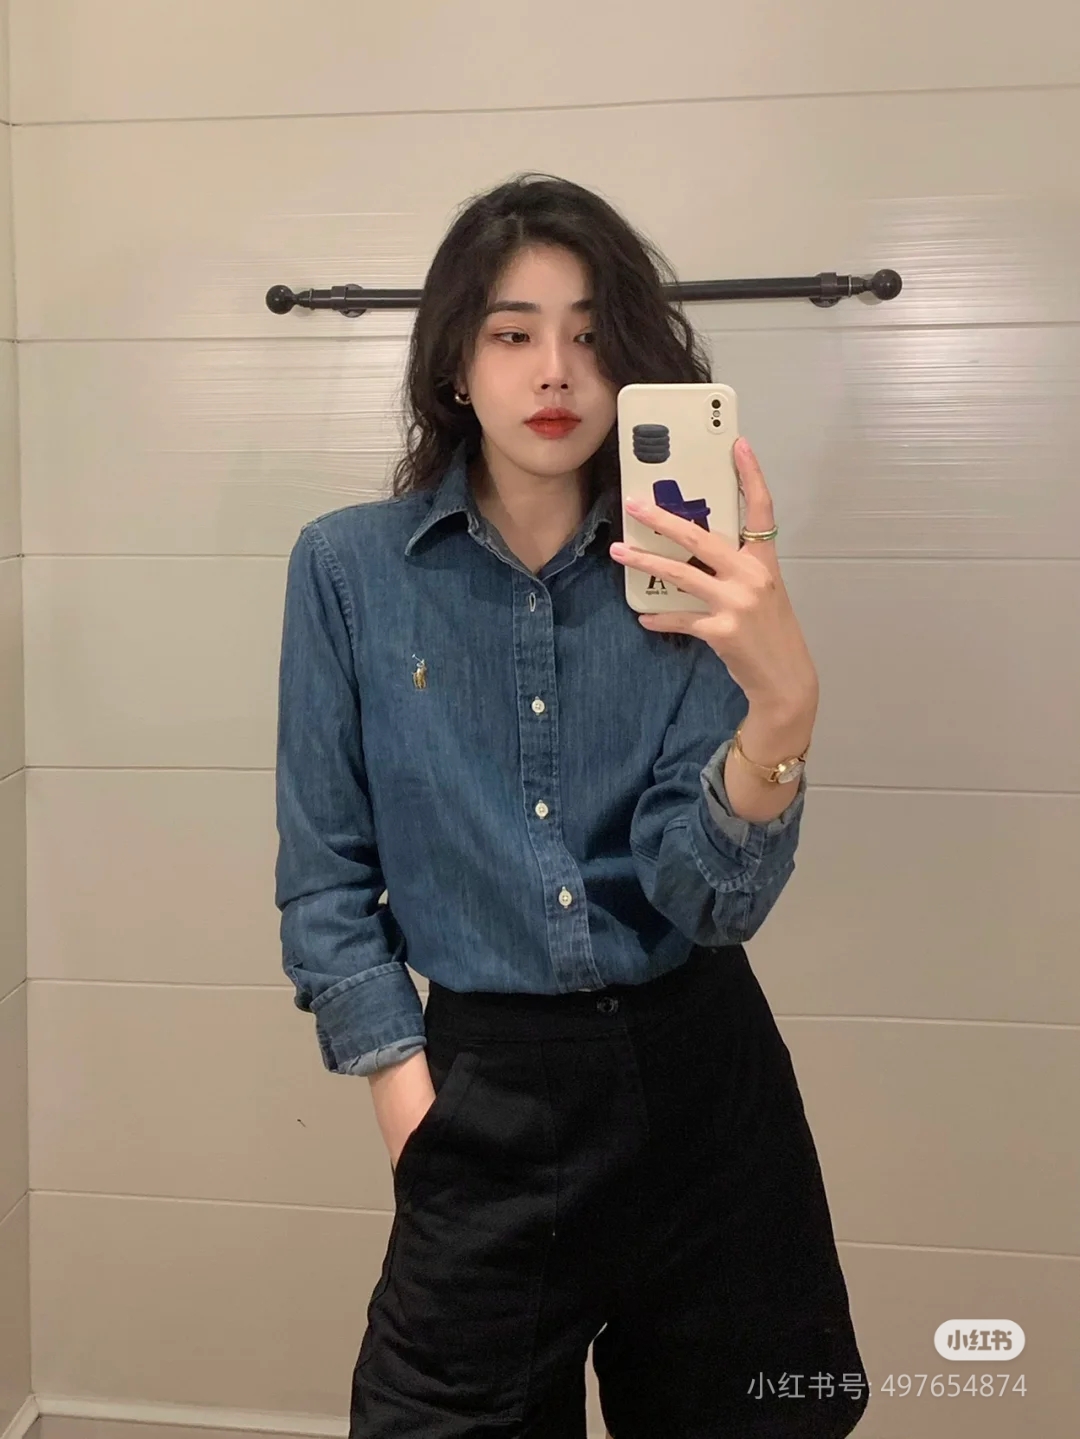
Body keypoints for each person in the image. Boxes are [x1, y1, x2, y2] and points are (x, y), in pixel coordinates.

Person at [274, 172, 869, 1439]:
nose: (556, 369)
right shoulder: (348, 570)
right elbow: (326, 880)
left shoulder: (695, 573)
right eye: (514, 331)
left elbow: (706, 896)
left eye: (593, 334)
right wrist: (413, 1112)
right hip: (480, 1090)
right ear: (455, 364)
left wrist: (782, 711)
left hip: (703, 1086)